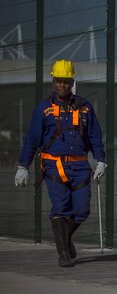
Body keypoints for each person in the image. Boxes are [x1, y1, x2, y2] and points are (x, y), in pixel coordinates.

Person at [14, 59, 107, 267]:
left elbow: (94, 135)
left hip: (80, 166)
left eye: (66, 81)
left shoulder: (85, 107)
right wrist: (23, 166)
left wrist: (101, 160)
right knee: (60, 207)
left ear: (72, 82)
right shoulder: (44, 109)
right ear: (53, 81)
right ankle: (63, 254)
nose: (62, 85)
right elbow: (32, 139)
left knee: (82, 210)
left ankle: (65, 238)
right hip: (53, 166)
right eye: (58, 81)